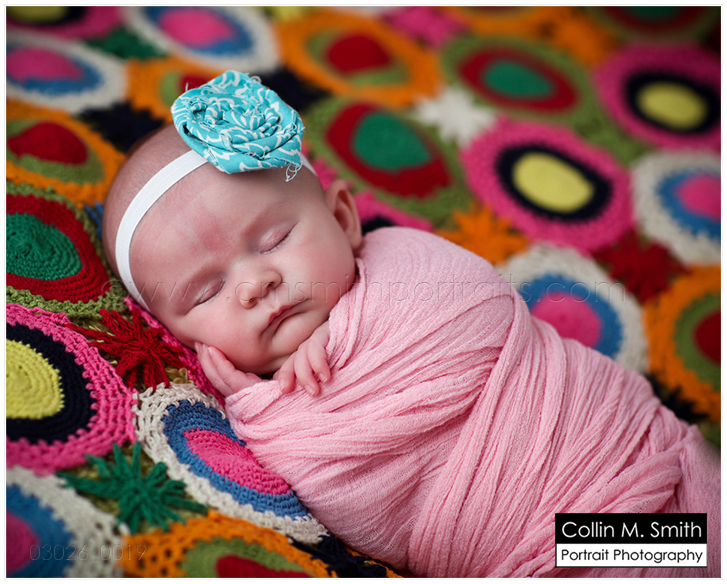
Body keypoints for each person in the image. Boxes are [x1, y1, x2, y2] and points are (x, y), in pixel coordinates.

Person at [103, 72, 720, 578]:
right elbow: (365, 506)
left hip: (621, 457)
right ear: (174, 334)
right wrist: (278, 418)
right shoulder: (263, 421)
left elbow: (481, 311)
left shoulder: (411, 267)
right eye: (207, 291)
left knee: (690, 544)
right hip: (536, 553)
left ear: (344, 219)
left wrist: (346, 339)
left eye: (275, 239)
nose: (254, 284)